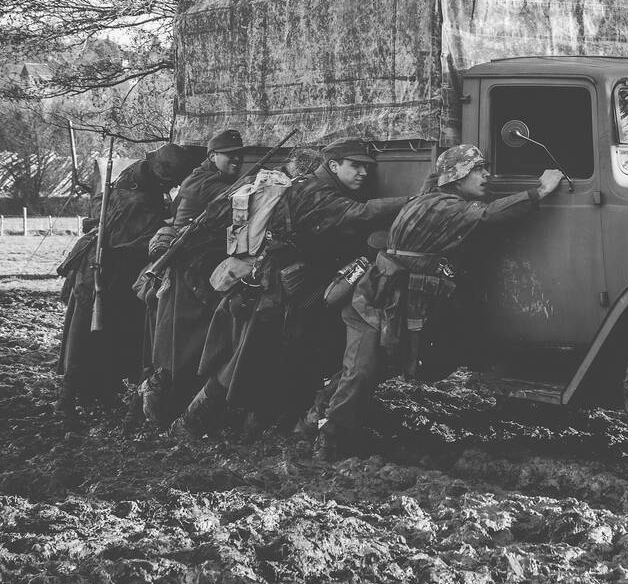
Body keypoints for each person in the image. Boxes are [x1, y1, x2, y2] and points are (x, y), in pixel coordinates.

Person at [315, 144, 564, 461]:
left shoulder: (433, 197)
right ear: (457, 176)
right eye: (477, 169)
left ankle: (315, 416)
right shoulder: (443, 207)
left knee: (373, 367)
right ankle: (328, 441)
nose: (486, 175)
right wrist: (540, 191)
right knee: (362, 371)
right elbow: (488, 214)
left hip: (392, 302)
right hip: (373, 304)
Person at [180, 139, 408, 435]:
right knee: (244, 362)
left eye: (366, 167)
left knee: (262, 361)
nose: (363, 173)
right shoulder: (316, 192)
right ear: (334, 165)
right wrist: (411, 202)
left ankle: (249, 426)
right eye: (355, 166)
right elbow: (359, 213)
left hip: (281, 288)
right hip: (278, 291)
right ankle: (191, 425)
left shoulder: (312, 184)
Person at [57, 143, 196, 415]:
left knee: (105, 333)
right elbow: (131, 241)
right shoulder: (136, 198)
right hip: (102, 269)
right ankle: (68, 397)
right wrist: (163, 231)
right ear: (162, 176)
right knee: (84, 333)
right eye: (171, 182)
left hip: (108, 266)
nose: (172, 187)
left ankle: (95, 391)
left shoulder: (136, 177)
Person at [144, 129, 246, 425]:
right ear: (213, 156)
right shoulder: (205, 183)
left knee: (187, 343)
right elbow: (235, 197)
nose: (236, 161)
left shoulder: (204, 178)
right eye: (230, 156)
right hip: (190, 270)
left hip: (198, 266)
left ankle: (166, 405)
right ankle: (158, 407)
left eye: (239, 156)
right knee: (181, 344)